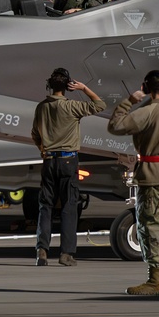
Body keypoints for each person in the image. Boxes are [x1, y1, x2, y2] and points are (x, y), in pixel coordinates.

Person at [107, 70, 159, 296]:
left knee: (150, 226)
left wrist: (129, 101)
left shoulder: (145, 113)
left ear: (146, 88)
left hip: (150, 177)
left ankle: (155, 281)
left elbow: (115, 126)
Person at [32, 67, 106, 266]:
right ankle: (66, 254)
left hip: (49, 160)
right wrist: (84, 88)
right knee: (69, 207)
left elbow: (35, 134)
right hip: (68, 160)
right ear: (67, 86)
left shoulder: (41, 107)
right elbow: (100, 105)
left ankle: (42, 251)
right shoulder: (72, 106)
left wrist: (43, 150)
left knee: (45, 207)